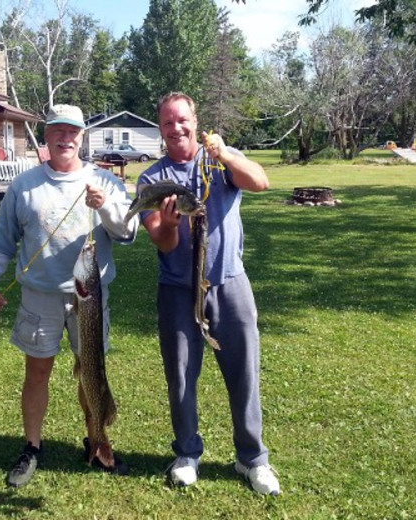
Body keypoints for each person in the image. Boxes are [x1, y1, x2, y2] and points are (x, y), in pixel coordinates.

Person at [0, 104, 138, 488]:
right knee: (37, 373)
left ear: (82, 137)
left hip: (90, 298)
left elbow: (126, 233)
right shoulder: (24, 185)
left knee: (92, 373)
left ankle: (97, 437)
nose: (65, 138)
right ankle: (32, 447)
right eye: (58, 132)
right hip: (39, 297)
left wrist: (107, 209)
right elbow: (2, 239)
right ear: (46, 136)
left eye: (73, 132)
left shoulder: (105, 183)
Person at [135, 92, 280, 496]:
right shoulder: (151, 180)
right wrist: (169, 223)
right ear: (160, 129)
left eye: (182, 120)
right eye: (167, 123)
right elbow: (162, 243)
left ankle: (252, 458)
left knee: (244, 373)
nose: (176, 128)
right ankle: (186, 453)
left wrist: (227, 156)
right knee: (180, 376)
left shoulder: (219, 158)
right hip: (177, 289)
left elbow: (261, 182)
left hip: (230, 282)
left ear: (194, 121)